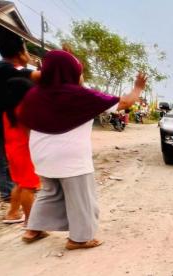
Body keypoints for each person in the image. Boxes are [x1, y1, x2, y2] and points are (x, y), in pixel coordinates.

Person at [19, 50, 147, 250]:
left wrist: (35, 144)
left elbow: (24, 121)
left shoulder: (34, 94)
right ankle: (79, 238)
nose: (81, 75)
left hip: (41, 154)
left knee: (49, 192)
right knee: (81, 199)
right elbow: (124, 103)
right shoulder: (82, 95)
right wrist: (138, 88)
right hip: (71, 158)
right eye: (78, 70)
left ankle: (33, 229)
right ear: (70, 73)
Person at [0, 23, 40, 201]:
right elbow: (39, 77)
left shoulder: (4, 69)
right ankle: (6, 193)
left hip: (5, 120)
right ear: (20, 52)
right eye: (26, 50)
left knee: (12, 158)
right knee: (2, 157)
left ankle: (15, 194)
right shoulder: (3, 68)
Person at [2, 79, 40, 225]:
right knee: (29, 186)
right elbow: (28, 132)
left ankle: (12, 213)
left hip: (12, 150)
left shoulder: (8, 110)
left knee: (19, 183)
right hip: (24, 150)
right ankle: (31, 222)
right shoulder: (23, 109)